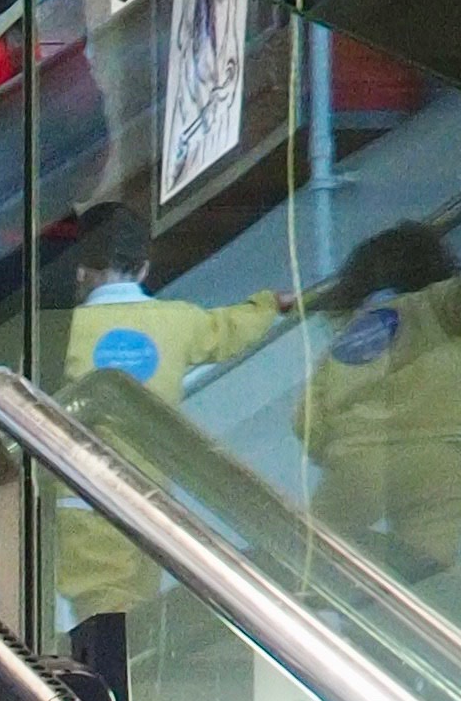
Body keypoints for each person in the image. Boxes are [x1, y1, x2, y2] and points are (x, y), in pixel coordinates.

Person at [56, 227, 299, 651]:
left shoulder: (64, 331)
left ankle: (104, 690)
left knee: (100, 610)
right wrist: (269, 306)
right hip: (152, 496)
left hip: (82, 493)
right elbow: (227, 328)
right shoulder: (178, 319)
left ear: (81, 272)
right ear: (144, 267)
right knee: (141, 604)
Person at [302, 220, 461, 598]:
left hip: (359, 460)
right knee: (428, 569)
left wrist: (332, 450)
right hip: (442, 459)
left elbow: (306, 420)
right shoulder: (434, 306)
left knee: (312, 557)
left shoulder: (344, 344)